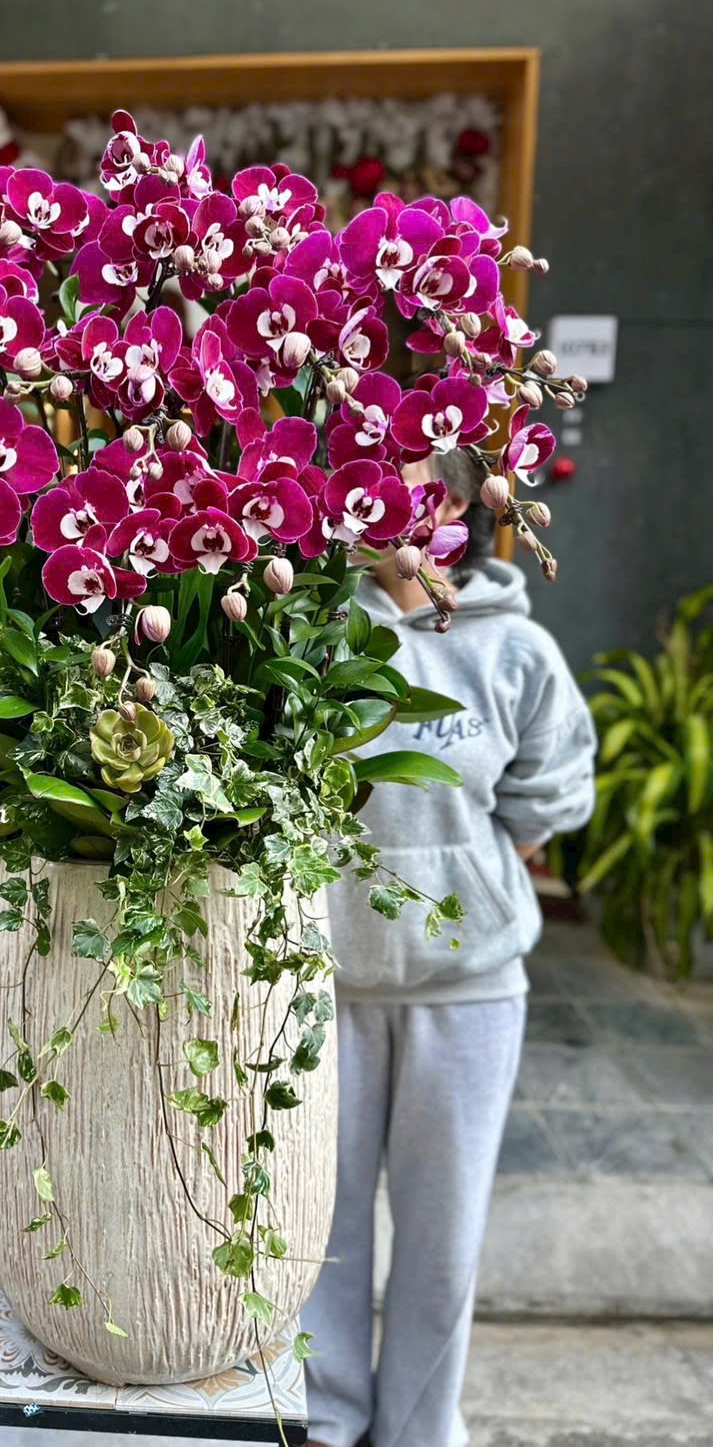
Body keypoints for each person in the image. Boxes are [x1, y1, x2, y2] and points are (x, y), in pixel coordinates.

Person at [304, 449, 597, 1447]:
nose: (391, 497)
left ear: (465, 502)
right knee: (320, 1227)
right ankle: (326, 1417)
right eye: (368, 472)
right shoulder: (310, 635)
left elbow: (545, 798)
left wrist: (462, 876)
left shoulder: (516, 649)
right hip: (325, 984)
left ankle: (421, 1429)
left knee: (443, 1236)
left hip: (470, 988)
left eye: (421, 480)